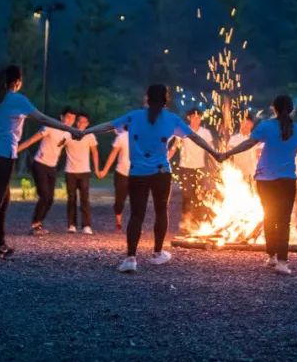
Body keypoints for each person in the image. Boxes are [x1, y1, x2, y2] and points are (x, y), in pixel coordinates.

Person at [0, 65, 84, 262]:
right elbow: (43, 119)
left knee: (4, 197)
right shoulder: (17, 100)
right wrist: (69, 129)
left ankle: (0, 244)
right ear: (17, 82)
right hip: (2, 156)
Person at [84, 84, 222, 274]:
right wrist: (215, 153)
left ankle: (131, 258)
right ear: (166, 100)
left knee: (136, 215)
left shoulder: (134, 116)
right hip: (161, 173)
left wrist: (83, 132)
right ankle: (157, 253)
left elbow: (108, 126)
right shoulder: (172, 119)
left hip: (138, 173)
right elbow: (194, 137)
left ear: (147, 98)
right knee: (160, 211)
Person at [220, 95, 297, 276]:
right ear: (292, 110)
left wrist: (227, 154)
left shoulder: (266, 127)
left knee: (269, 216)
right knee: (283, 220)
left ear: (273, 109)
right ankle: (282, 263)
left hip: (264, 179)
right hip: (286, 180)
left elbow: (248, 143)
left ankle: (271, 257)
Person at [18, 106, 75, 236]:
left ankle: (39, 223)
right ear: (61, 117)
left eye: (72, 119)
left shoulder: (68, 133)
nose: (70, 120)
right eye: (68, 117)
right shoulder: (50, 127)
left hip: (52, 167)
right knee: (44, 195)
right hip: (40, 164)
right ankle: (34, 224)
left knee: (50, 199)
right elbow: (32, 140)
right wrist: (15, 151)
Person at [167, 108, 215, 230]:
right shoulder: (182, 130)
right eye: (194, 117)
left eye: (198, 117)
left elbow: (211, 149)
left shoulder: (205, 133)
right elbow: (174, 147)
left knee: (200, 196)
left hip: (201, 168)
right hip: (185, 167)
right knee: (187, 196)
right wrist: (165, 158)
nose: (196, 120)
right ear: (189, 118)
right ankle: (186, 223)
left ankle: (199, 222)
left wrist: (217, 161)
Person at [63, 111, 99, 234]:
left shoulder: (90, 136)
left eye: (83, 122)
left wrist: (97, 169)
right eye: (78, 121)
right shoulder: (68, 134)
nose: (80, 123)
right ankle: (72, 224)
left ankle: (86, 225)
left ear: (87, 124)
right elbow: (58, 145)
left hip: (84, 171)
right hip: (70, 170)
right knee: (71, 198)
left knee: (85, 198)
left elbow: (95, 152)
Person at [97, 125, 131, 230]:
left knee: (137, 199)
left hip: (136, 173)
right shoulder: (122, 137)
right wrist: (105, 171)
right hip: (121, 172)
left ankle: (135, 223)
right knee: (120, 199)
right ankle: (118, 220)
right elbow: (113, 154)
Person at [226, 111, 260, 186]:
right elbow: (228, 153)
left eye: (248, 123)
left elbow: (259, 154)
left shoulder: (256, 138)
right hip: (238, 174)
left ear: (252, 125)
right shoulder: (234, 139)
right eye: (243, 122)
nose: (245, 125)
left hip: (252, 174)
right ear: (240, 123)